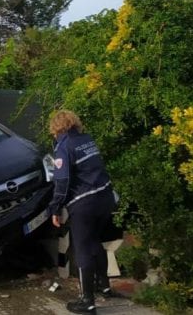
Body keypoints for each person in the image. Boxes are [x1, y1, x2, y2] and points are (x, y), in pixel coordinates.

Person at [48, 110, 117, 315]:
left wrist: (55, 207)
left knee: (82, 248)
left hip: (84, 203)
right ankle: (104, 286)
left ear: (56, 129)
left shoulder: (64, 147)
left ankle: (87, 301)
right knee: (94, 241)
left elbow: (62, 181)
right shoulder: (87, 140)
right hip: (105, 197)